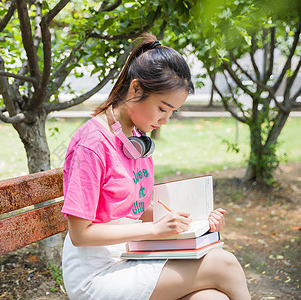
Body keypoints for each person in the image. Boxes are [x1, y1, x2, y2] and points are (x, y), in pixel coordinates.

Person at [60, 34, 250, 300]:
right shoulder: (92, 144)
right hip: (97, 273)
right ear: (136, 89)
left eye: (172, 112)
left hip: (132, 255)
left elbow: (137, 210)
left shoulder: (137, 141)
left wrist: (196, 222)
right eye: (163, 108)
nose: (166, 120)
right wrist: (156, 229)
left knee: (211, 298)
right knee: (224, 263)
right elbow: (80, 234)